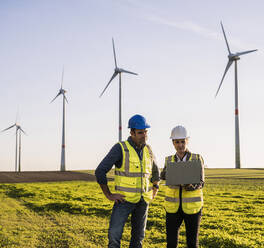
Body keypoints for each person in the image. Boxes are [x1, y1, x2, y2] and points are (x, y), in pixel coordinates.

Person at [95, 114, 160, 248]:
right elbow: (100, 170)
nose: (144, 135)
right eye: (140, 132)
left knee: (138, 239)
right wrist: (109, 195)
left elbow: (155, 171)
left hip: (143, 201)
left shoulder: (148, 149)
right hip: (124, 201)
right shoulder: (120, 148)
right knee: (114, 236)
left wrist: (155, 188)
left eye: (145, 132)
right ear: (132, 133)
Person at [160, 125, 205, 248]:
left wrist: (190, 186)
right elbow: (162, 175)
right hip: (172, 208)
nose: (180, 145)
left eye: (182, 142)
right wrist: (168, 174)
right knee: (171, 243)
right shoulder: (169, 160)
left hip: (192, 208)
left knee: (192, 243)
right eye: (177, 142)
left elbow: (201, 182)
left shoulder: (197, 158)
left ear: (187, 141)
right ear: (173, 143)